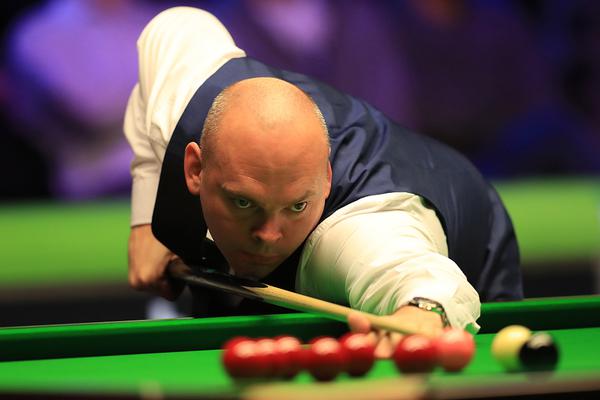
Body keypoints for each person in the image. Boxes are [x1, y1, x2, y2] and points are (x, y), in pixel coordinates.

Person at [124, 7, 522, 355]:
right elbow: (178, 25)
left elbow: (424, 281)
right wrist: (146, 216)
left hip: (469, 230)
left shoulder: (358, 233)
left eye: (297, 206)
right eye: (244, 203)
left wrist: (422, 315)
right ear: (195, 168)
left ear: (326, 179)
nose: (268, 236)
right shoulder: (187, 99)